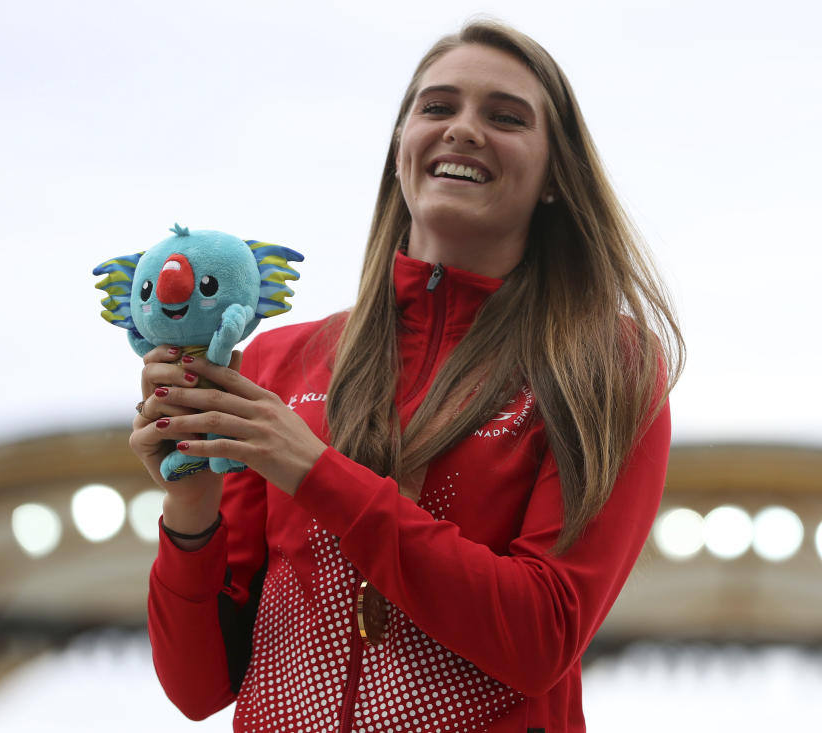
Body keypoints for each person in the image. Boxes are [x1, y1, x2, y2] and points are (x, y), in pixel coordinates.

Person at [131, 19, 684, 733]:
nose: (463, 129)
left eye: (506, 117)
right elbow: (199, 685)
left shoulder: (605, 364)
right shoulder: (278, 364)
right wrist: (191, 504)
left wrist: (314, 471)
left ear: (554, 177)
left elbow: (540, 635)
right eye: (437, 107)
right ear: (401, 150)